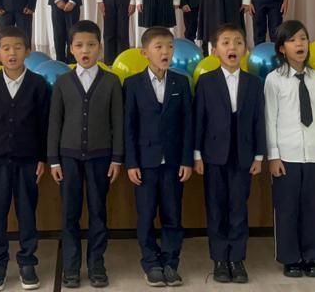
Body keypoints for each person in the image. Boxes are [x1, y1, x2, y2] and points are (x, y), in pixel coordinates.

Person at [0, 27, 52, 291]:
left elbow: (44, 125)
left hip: (28, 160)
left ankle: (27, 261)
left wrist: (42, 158)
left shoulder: (38, 84)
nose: (12, 53)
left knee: (27, 212)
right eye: (6, 48)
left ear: (28, 51)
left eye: (18, 47)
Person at [48, 20, 125, 288]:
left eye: (91, 45)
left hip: (101, 157)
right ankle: (70, 266)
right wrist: (53, 160)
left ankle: (96, 264)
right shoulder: (62, 82)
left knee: (98, 211)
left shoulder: (112, 81)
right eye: (79, 45)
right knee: (70, 213)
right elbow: (54, 123)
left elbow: (118, 122)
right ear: (71, 49)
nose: (85, 50)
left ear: (100, 48)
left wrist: (117, 158)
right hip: (68, 158)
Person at [193, 23, 265, 284]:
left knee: (238, 207)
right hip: (213, 155)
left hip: (243, 155)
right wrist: (197, 155)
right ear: (214, 50)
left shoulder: (253, 83)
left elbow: (259, 120)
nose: (232, 47)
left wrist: (259, 156)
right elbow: (199, 120)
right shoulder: (206, 81)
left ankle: (237, 258)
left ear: (245, 49)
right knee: (215, 207)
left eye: (238, 42)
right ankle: (219, 259)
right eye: (225, 42)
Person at [124, 27, 194, 287]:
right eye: (159, 47)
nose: (166, 52)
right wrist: (131, 162)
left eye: (170, 46)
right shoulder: (132, 84)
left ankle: (170, 263)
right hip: (145, 162)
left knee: (173, 215)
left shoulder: (181, 82)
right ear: (145, 53)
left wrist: (186, 160)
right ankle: (151, 263)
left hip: (174, 163)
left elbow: (188, 125)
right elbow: (129, 127)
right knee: (145, 216)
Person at [264, 20, 315, 279]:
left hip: (314, 154)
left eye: (303, 38)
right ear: (282, 48)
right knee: (287, 208)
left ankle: (312, 256)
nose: (299, 44)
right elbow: (270, 118)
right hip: (287, 155)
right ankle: (290, 258)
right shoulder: (274, 80)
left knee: (313, 208)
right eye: (292, 40)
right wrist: (274, 155)